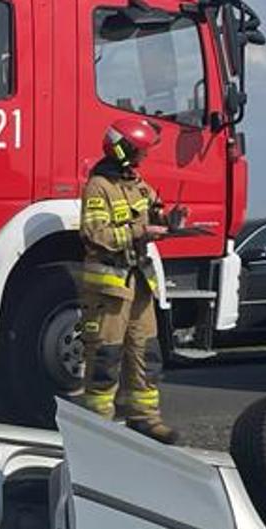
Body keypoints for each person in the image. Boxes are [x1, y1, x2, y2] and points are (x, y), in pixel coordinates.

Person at [73, 118, 179, 445]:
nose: (143, 157)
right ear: (123, 150)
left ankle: (146, 419)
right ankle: (97, 428)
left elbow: (153, 209)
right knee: (106, 354)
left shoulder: (137, 183)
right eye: (139, 151)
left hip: (140, 282)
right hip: (110, 287)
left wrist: (170, 218)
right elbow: (94, 234)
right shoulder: (99, 186)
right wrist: (139, 232)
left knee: (145, 351)